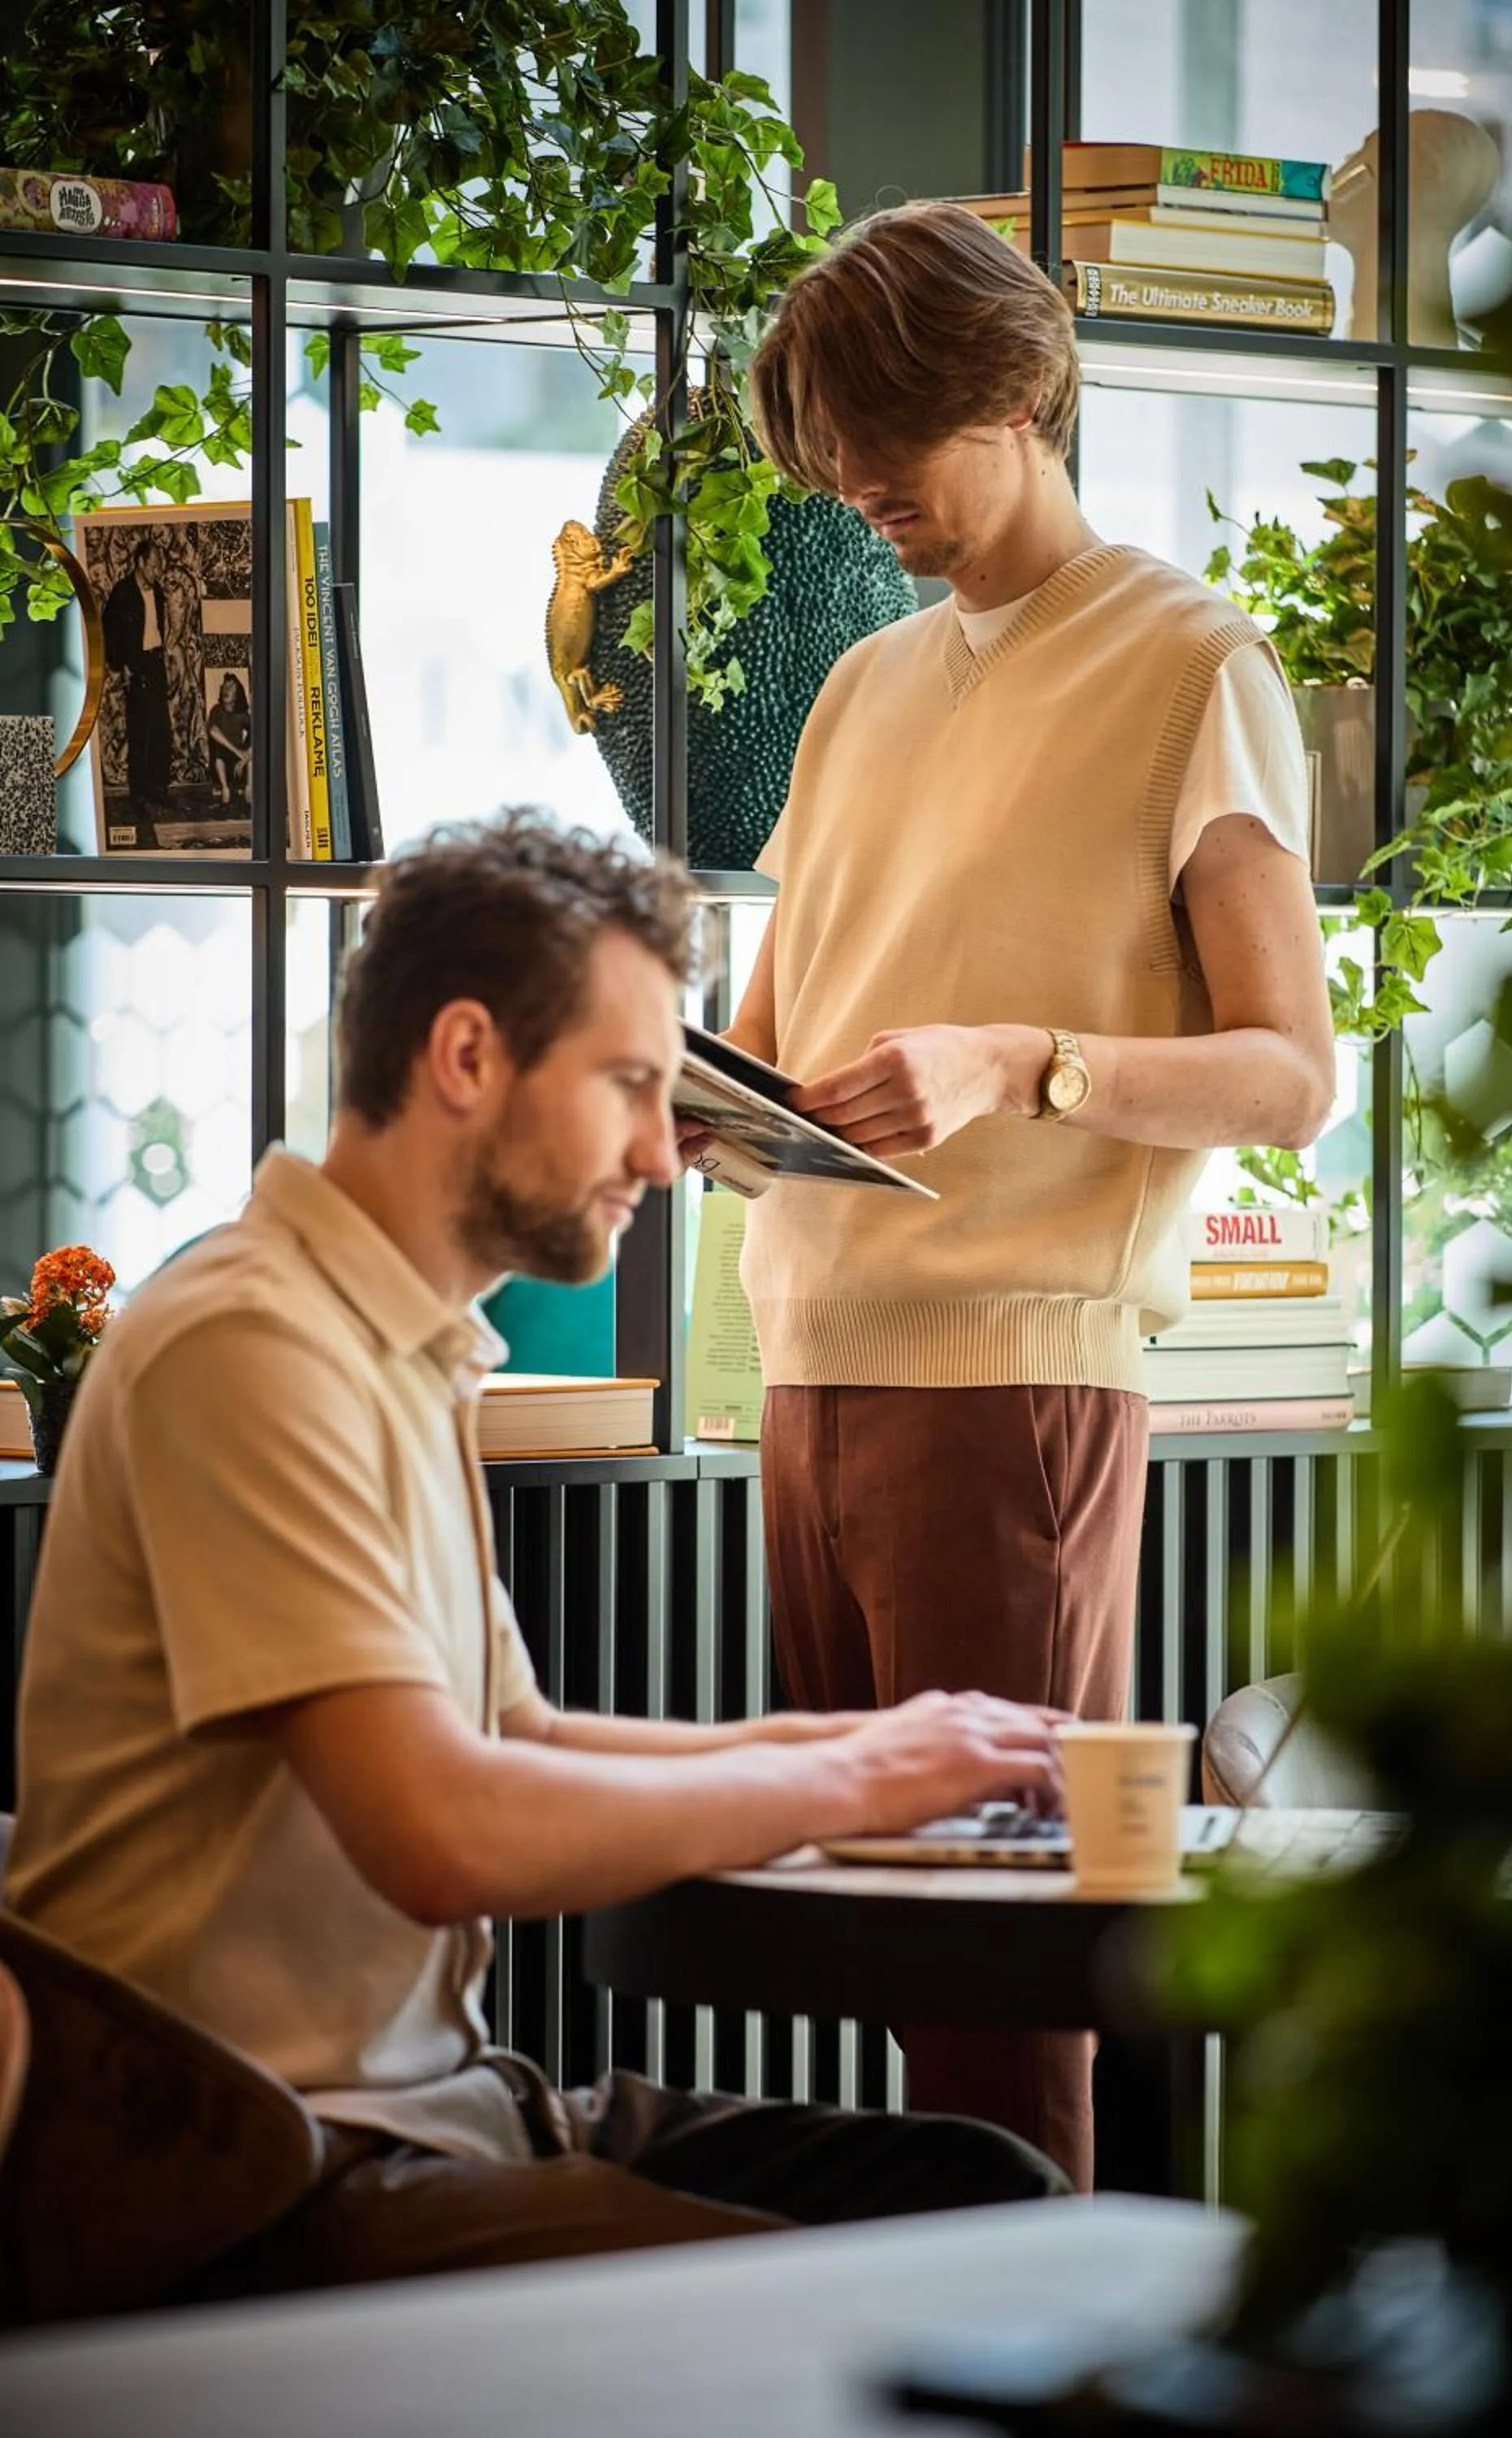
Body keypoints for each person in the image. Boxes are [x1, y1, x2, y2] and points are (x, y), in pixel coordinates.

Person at [2, 810, 1072, 2301]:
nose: (664, 1150)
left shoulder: (398, 1343)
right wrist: (853, 1786)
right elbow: (445, 1833)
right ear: (465, 1058)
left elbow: (519, 1737)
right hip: (254, 2173)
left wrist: (885, 1741)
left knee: (988, 2193)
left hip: (442, 2108)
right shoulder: (248, 1345)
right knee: (892, 2289)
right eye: (633, 1085)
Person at [707, 202, 1338, 2190]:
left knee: (993, 1989)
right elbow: (774, 1023)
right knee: (866, 1946)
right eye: (831, 457)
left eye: (891, 443)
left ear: (1024, 388)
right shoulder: (856, 686)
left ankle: (1023, 2354)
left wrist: (1024, 1059)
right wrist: (670, 1085)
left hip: (1013, 1385)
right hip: (802, 1368)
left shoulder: (1184, 662)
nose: (859, 490)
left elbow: (1287, 1072)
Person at [101, 536, 173, 810]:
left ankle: (158, 788)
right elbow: (109, 632)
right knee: (140, 732)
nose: (158, 571)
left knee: (161, 731)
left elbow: (157, 628)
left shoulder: (157, 593)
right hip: (136, 666)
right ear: (141, 562)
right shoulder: (122, 593)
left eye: (160, 566)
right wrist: (123, 666)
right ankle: (139, 794)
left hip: (156, 663)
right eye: (154, 566)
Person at [206, 670, 252, 806]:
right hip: (221, 763)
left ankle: (249, 788)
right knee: (217, 747)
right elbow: (213, 731)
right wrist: (239, 753)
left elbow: (258, 733)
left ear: (238, 693)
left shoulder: (242, 714)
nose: (226, 690)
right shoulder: (217, 710)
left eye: (231, 688)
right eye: (224, 687)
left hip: (238, 765)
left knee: (253, 747)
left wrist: (246, 757)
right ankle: (225, 789)